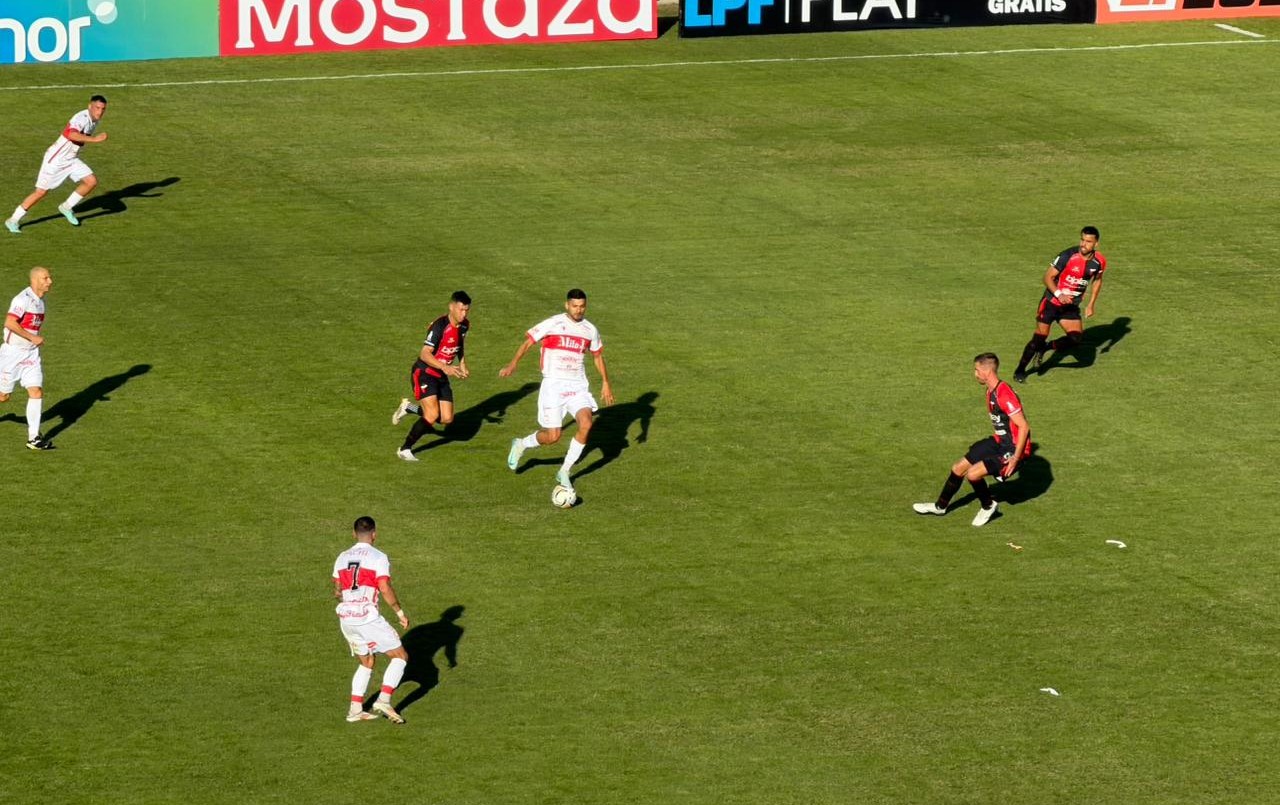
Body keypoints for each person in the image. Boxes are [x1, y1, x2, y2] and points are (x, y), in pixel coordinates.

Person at [499, 288, 614, 494]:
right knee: (553, 437)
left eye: (582, 306)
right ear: (567, 305)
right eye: (574, 306)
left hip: (577, 385)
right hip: (553, 386)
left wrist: (605, 382)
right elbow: (528, 342)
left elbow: (597, 356)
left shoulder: (590, 330)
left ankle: (564, 471)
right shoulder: (553, 323)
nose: (578, 310)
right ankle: (522, 444)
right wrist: (513, 363)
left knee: (586, 424)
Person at [913, 353, 1031, 527]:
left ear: (987, 371)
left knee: (973, 474)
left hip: (1013, 449)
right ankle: (940, 507)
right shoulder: (990, 390)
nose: (975, 374)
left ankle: (988, 505)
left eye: (976, 370)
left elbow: (1024, 426)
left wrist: (1015, 457)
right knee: (958, 467)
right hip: (999, 442)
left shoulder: (1004, 394)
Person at [332, 516, 411, 724]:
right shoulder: (378, 557)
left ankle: (355, 710)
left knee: (367, 661)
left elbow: (337, 590)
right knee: (400, 656)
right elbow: (384, 586)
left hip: (346, 618)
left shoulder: (342, 557)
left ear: (354, 534)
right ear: (374, 534)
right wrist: (399, 612)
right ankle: (384, 700)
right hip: (367, 617)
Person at [1012, 226, 1109, 382]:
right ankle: (1020, 370)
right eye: (1082, 240)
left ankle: (1047, 347)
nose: (1083, 244)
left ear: (1096, 243)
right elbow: (1047, 277)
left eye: (1088, 241)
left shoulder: (1099, 261)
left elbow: (1097, 280)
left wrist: (1091, 304)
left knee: (1075, 339)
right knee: (1038, 338)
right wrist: (1059, 294)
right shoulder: (1067, 256)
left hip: (1070, 307)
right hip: (1051, 303)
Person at [6, 96, 110, 233]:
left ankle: (66, 207)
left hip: (71, 159)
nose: (100, 112)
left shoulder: (94, 120)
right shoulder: (82, 118)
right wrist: (95, 139)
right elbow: (71, 134)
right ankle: (13, 219)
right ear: (90, 106)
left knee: (91, 181)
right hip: (56, 160)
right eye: (97, 108)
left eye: (103, 109)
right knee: (40, 192)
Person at [391, 291, 471, 461]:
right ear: (451, 307)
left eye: (467, 310)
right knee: (432, 414)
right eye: (461, 310)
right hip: (425, 373)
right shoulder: (439, 326)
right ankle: (405, 449)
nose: (464, 314)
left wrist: (463, 363)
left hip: (441, 374)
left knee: (446, 419)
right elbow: (424, 353)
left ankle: (409, 408)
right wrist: (445, 367)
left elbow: (460, 343)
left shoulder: (464, 325)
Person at [0, 268, 55, 450]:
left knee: (36, 391)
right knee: (3, 396)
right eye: (45, 278)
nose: (50, 281)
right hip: (12, 354)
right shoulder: (22, 299)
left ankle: (34, 438)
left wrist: (32, 342)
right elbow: (9, 323)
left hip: (31, 354)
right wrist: (32, 337)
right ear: (35, 280)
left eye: (49, 277)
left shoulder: (41, 302)